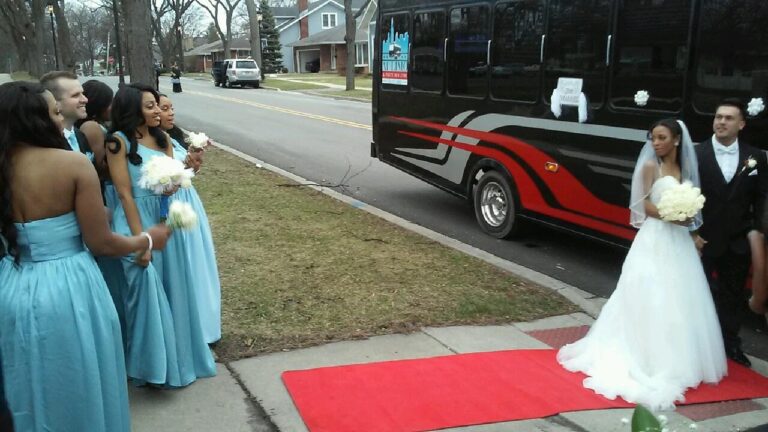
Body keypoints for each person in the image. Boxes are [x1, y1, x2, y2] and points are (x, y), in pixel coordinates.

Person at [0, 81, 171, 431]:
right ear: (37, 119)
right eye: (53, 112)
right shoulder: (73, 165)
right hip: (71, 289)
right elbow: (102, 243)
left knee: (29, 384)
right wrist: (145, 240)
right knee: (79, 377)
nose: (59, 119)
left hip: (12, 285)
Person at [558, 119, 726, 412]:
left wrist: (692, 229)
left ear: (676, 140)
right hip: (655, 238)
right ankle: (642, 355)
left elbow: (692, 208)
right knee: (648, 291)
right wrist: (670, 214)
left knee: (679, 296)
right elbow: (642, 204)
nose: (656, 143)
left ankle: (678, 358)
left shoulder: (685, 169)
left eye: (662, 138)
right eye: (653, 138)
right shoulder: (652, 167)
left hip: (679, 242)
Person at [107, 83, 215, 387]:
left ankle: (179, 362)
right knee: (143, 295)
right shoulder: (117, 142)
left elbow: (175, 183)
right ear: (132, 109)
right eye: (150, 105)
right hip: (136, 220)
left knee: (175, 289)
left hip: (166, 219)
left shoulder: (164, 138)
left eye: (158, 104)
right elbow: (125, 194)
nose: (157, 110)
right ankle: (149, 368)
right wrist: (141, 240)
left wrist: (183, 174)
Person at [694, 99, 768, 368]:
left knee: (733, 296)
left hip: (738, 241)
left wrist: (757, 231)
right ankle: (698, 346)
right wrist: (693, 233)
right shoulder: (697, 154)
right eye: (718, 117)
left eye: (728, 118)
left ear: (741, 124)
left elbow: (761, 198)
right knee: (699, 293)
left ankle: (730, 345)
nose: (721, 122)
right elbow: (687, 194)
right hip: (703, 240)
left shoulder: (755, 156)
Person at [158, 93, 222, 344]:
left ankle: (205, 325)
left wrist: (194, 158)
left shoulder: (174, 136)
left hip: (187, 200)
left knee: (198, 258)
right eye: (162, 108)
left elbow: (188, 173)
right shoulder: (151, 142)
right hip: (170, 203)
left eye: (170, 108)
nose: (168, 113)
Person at [39, 71, 93, 160]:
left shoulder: (80, 135)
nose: (85, 99)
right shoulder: (47, 143)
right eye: (75, 95)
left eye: (82, 93)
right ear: (53, 101)